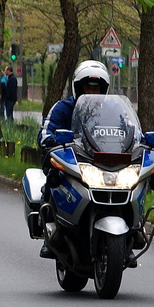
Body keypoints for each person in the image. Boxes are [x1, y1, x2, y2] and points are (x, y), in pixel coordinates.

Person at [36, 59, 110, 259]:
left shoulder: (110, 110)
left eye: (97, 89)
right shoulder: (63, 108)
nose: (92, 93)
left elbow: (128, 129)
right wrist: (50, 140)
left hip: (101, 164)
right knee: (53, 181)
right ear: (78, 87)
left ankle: (133, 228)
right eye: (88, 87)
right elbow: (45, 130)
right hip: (72, 161)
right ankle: (50, 233)